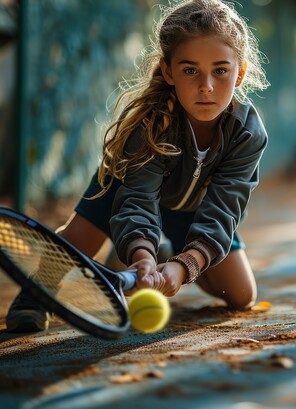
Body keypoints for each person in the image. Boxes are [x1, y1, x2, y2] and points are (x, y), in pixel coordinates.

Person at [6, 0, 270, 332]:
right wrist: (143, 256)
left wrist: (184, 265)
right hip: (125, 191)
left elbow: (224, 210)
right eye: (190, 70)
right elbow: (138, 200)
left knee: (242, 295)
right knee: (77, 239)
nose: (206, 86)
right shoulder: (151, 125)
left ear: (240, 72)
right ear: (168, 71)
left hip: (195, 212)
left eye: (220, 70)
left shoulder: (247, 134)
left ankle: (151, 250)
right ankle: (35, 294)